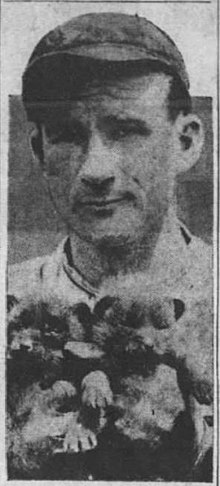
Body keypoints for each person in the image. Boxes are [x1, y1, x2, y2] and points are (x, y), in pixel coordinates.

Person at [7, 12, 212, 480]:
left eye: (125, 130)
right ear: (38, 150)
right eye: (67, 135)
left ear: (184, 142)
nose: (95, 168)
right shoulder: (9, 304)